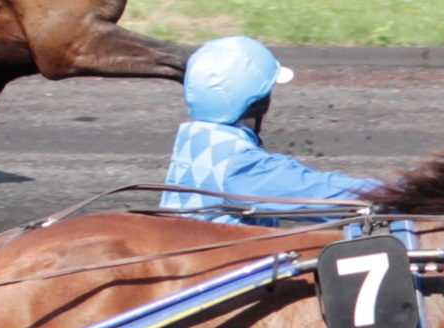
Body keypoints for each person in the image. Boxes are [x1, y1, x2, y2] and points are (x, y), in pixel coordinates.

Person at [160, 35, 380, 225]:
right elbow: (319, 192)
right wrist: (396, 192)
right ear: (260, 102)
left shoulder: (193, 141)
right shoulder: (239, 165)